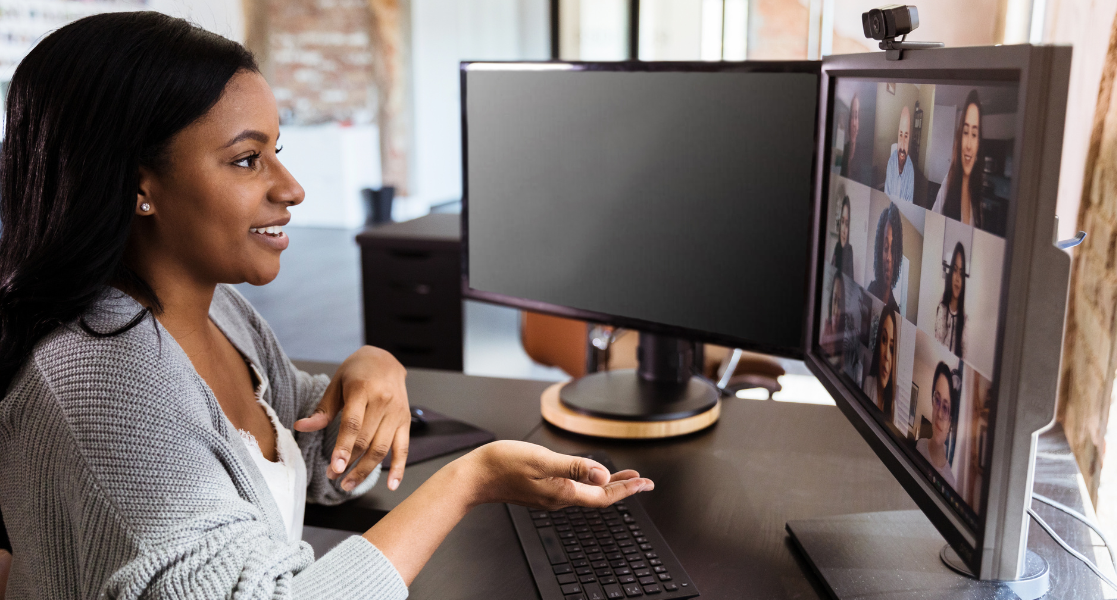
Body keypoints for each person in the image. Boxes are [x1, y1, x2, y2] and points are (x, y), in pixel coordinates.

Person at [0, 13, 653, 599]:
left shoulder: (220, 315)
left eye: (275, 152)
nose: (292, 189)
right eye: (248, 160)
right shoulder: (100, 383)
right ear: (139, 186)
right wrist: (469, 481)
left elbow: (301, 455)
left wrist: (374, 369)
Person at [932, 90, 984, 227]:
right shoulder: (948, 184)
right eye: (965, 132)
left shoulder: (978, 194)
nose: (968, 145)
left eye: (974, 134)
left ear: (979, 143)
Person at [917, 362, 957, 486]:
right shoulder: (919, 445)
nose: (939, 414)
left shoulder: (951, 482)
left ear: (950, 421)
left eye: (945, 408)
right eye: (937, 400)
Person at [863, 304, 899, 423]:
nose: (887, 356)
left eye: (892, 348)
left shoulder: (894, 408)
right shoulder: (868, 383)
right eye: (884, 339)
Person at [867, 204, 903, 309]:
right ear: (879, 250)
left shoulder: (895, 309)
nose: (889, 258)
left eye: (893, 251)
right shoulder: (870, 291)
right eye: (886, 248)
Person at [934, 242, 968, 356]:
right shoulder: (942, 309)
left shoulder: (965, 320)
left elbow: (964, 354)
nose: (957, 278)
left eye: (961, 273)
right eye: (954, 270)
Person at [884, 105, 914, 203]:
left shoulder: (911, 170)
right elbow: (886, 196)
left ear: (909, 139)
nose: (902, 143)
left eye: (906, 136)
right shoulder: (890, 163)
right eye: (901, 135)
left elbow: (909, 203)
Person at [821, 275, 847, 361]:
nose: (835, 310)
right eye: (834, 300)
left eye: (839, 305)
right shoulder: (824, 336)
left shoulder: (845, 345)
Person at [831, 192, 855, 279]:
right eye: (842, 221)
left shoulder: (849, 250)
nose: (844, 230)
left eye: (847, 224)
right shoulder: (837, 246)